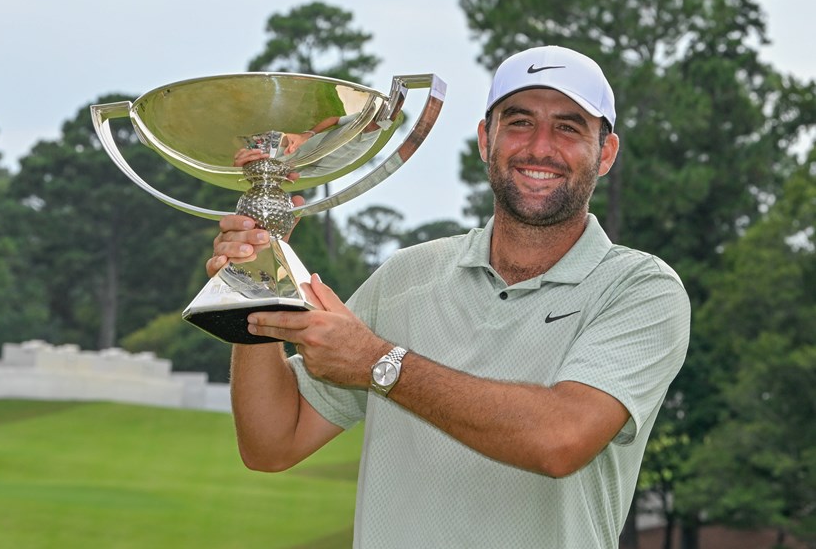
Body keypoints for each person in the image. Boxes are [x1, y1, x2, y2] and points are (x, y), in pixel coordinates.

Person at [208, 45, 690, 548]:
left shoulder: (640, 289)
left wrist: (379, 363)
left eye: (569, 127)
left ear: (606, 152)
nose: (540, 147)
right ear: (487, 139)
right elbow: (271, 443)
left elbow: (561, 439)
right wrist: (257, 283)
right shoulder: (406, 276)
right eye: (520, 122)